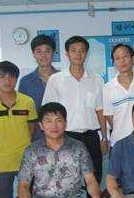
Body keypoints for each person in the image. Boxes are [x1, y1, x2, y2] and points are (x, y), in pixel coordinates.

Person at [42, 36, 107, 183]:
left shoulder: (97, 79)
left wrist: (104, 137)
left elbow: (100, 110)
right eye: (74, 50)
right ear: (67, 54)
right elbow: (48, 112)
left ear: (86, 54)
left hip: (91, 137)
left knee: (94, 178)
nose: (78, 54)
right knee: (66, 180)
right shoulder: (56, 80)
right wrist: (51, 139)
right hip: (66, 136)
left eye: (82, 50)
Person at [0, 61, 37, 198]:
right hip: (1, 162)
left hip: (25, 160)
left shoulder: (27, 102)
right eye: (2, 76)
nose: (7, 80)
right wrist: (1, 148)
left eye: (11, 76)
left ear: (16, 79)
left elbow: (31, 128)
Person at [103, 43, 134, 146]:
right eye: (117, 58)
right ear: (114, 63)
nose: (122, 61)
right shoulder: (108, 87)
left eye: (125, 56)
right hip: (119, 142)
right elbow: (110, 117)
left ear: (133, 58)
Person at [18, 34, 59, 140]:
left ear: (53, 52)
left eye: (47, 51)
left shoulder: (63, 79)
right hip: (36, 137)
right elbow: (22, 113)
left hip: (61, 135)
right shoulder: (25, 82)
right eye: (39, 51)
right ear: (33, 54)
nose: (43, 55)